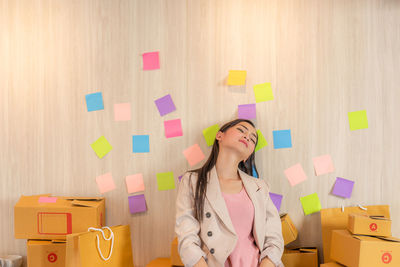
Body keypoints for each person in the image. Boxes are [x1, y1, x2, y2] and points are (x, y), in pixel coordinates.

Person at [175, 119, 284, 267]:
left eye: (253, 139)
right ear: (220, 136)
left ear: (248, 156)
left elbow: (274, 238)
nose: (247, 136)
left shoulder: (260, 187)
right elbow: (187, 236)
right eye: (241, 130)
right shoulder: (192, 181)